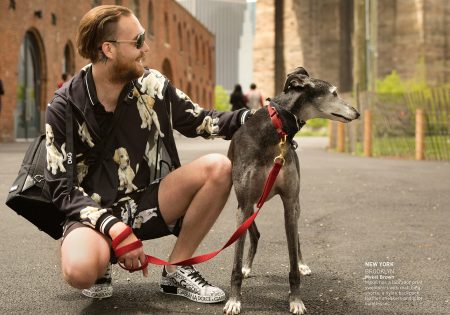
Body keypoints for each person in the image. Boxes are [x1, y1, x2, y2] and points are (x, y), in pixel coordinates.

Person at [44, 5, 253, 303]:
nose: (147, 48)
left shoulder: (152, 85)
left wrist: (254, 119)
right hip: (92, 213)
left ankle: (177, 269)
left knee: (219, 166)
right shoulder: (65, 105)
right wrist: (115, 229)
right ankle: (99, 256)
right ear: (108, 49)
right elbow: (60, 188)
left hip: (145, 201)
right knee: (80, 270)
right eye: (139, 41)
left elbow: (199, 120)